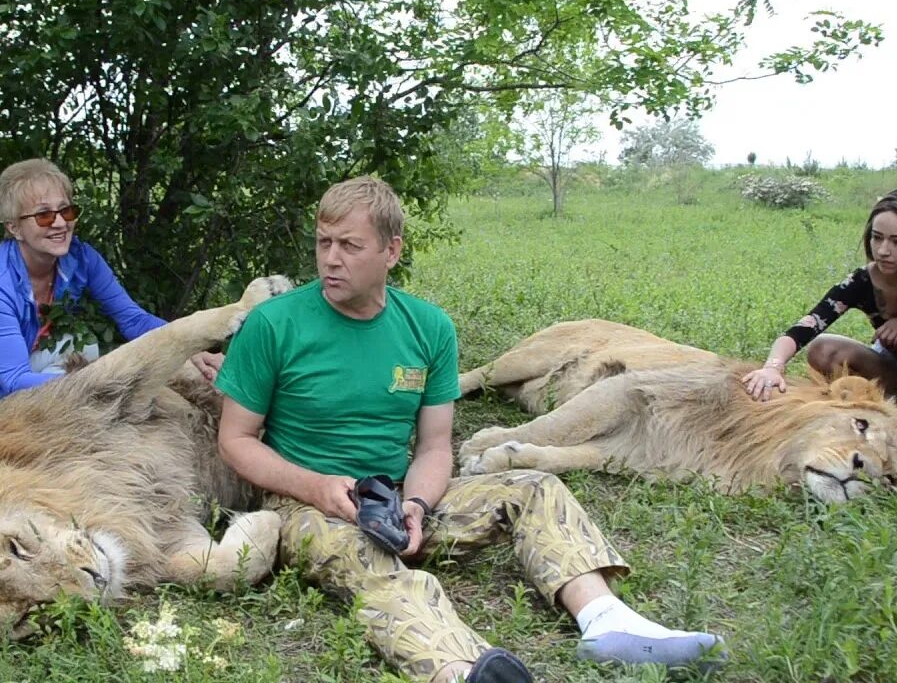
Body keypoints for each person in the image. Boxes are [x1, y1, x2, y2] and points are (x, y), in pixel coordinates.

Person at [215, 177, 723, 683]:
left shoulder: (429, 327)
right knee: (366, 559)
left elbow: (436, 445)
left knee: (536, 487)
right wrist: (316, 488)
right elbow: (236, 440)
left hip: (393, 498)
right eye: (324, 243)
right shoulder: (275, 325)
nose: (330, 259)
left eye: (350, 245)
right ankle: (457, 672)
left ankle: (606, 622)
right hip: (302, 503)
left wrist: (415, 506)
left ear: (391, 251)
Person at [0, 158, 222, 432]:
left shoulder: (81, 259)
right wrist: (107, 378)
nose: (61, 223)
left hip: (17, 371)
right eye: (44, 216)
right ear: (14, 228)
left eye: (66, 210)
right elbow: (14, 381)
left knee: (83, 352)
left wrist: (188, 344)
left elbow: (132, 318)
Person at [743, 189, 897, 417]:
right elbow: (804, 328)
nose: (883, 250)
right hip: (892, 368)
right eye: (877, 237)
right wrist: (772, 367)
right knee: (823, 348)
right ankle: (882, 412)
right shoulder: (862, 281)